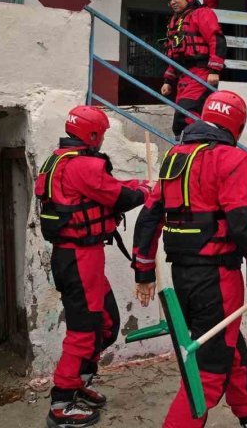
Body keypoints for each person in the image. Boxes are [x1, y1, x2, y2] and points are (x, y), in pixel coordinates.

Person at [132, 91, 247, 428]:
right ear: (239, 125)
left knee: (228, 351)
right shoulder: (232, 159)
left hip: (184, 277)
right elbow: (243, 224)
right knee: (206, 373)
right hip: (218, 279)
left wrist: (143, 270)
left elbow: (149, 217)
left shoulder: (175, 156)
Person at [34, 105, 152, 428]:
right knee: (84, 332)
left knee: (107, 322)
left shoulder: (62, 159)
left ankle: (79, 381)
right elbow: (116, 197)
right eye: (101, 135)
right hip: (78, 258)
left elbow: (102, 188)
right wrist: (144, 191)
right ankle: (61, 402)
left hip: (82, 257)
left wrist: (136, 185)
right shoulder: (83, 165)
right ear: (93, 135)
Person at [160, 0, 227, 138]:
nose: (172, 2)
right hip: (184, 77)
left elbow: (216, 39)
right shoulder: (175, 22)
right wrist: (168, 80)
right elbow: (174, 53)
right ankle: (187, 147)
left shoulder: (202, 14)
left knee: (186, 118)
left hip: (201, 73)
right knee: (184, 119)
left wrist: (214, 70)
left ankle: (191, 148)